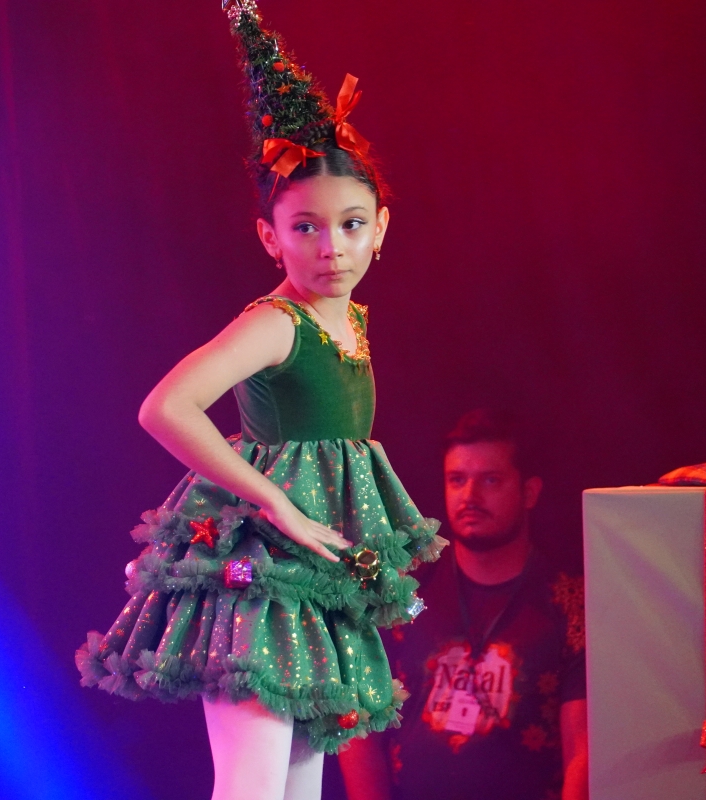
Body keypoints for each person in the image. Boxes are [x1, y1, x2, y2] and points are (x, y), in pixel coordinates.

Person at [76, 3, 444, 799]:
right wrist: (275, 500)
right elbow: (167, 406)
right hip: (260, 573)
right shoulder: (276, 324)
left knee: (299, 784)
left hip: (312, 576)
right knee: (252, 785)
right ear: (269, 236)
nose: (331, 246)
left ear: (380, 228)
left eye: (350, 225)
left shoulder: (349, 319)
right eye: (305, 228)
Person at [339, 408, 588, 800]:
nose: (470, 497)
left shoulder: (570, 602)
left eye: (491, 480)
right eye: (457, 480)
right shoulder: (403, 592)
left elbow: (583, 751)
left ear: (529, 492)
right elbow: (359, 725)